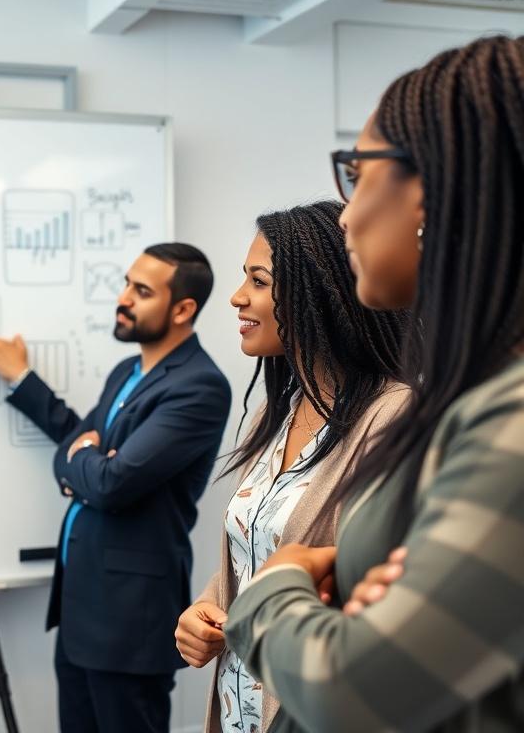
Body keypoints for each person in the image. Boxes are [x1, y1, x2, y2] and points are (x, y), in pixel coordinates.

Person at [222, 35, 524, 732]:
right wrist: (350, 574)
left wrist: (277, 586)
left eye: (357, 176)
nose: (347, 214)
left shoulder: (507, 420)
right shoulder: (472, 401)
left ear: (439, 187)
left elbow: (354, 692)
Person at [0, 243, 231, 733]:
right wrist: (31, 388)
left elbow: (112, 485)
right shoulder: (126, 373)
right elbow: (79, 447)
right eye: (126, 284)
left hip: (129, 620)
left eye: (141, 290)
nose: (123, 298)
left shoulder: (199, 386)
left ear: (182, 309)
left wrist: (85, 462)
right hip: (80, 609)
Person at [172, 201, 408, 733]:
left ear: (320, 294)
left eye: (259, 280)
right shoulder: (281, 411)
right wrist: (208, 607)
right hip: (241, 712)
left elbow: (388, 572)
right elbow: (261, 546)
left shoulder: (394, 416)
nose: (237, 298)